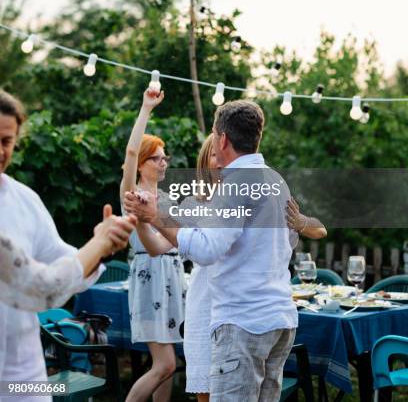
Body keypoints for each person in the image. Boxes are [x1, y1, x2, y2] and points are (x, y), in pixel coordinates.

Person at [125, 106, 326, 402]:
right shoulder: (275, 181)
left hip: (244, 322)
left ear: (222, 140)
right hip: (278, 320)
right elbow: (286, 241)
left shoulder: (236, 184)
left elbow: (207, 249)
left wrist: (156, 217)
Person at [0, 90, 125, 402]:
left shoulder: (24, 200)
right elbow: (44, 288)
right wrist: (100, 243)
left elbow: (66, 260)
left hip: (24, 378)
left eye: (6, 141)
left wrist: (103, 247)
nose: (0, 151)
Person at [120, 88, 186, 402]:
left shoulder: (167, 199)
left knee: (168, 366)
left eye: (165, 157)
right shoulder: (131, 194)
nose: (163, 163)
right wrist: (146, 108)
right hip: (150, 279)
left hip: (172, 280)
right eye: (156, 158)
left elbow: (176, 242)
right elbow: (160, 246)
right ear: (143, 163)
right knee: (165, 364)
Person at [0, 203, 137, 312]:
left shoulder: (26, 198)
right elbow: (44, 284)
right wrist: (100, 243)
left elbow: (67, 259)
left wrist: (103, 250)